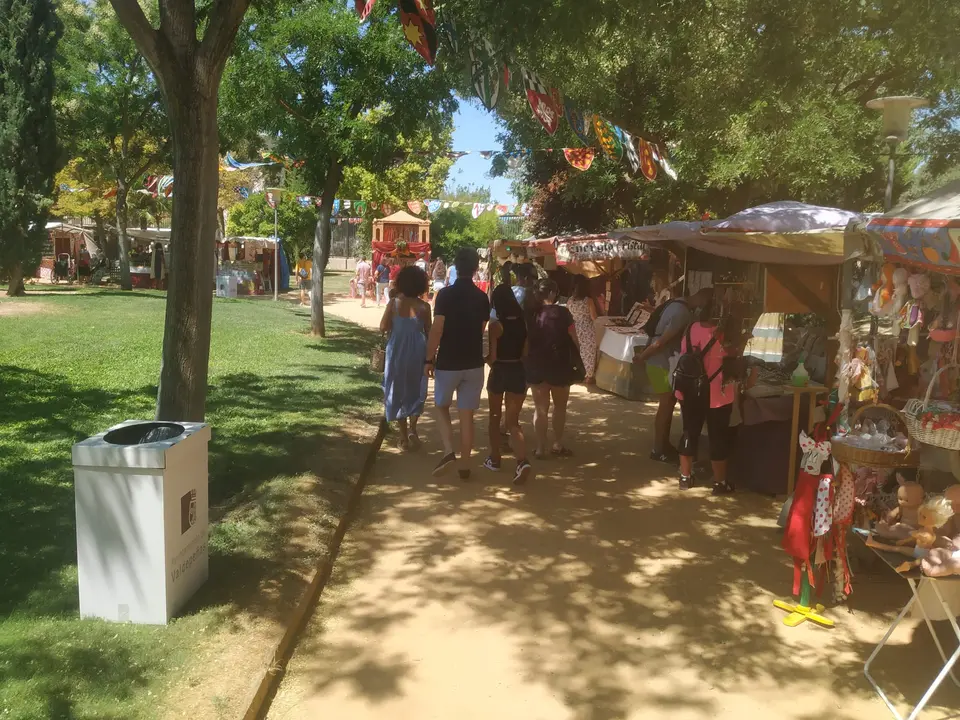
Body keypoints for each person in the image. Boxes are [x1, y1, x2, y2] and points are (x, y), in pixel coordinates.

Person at [424, 248, 490, 479]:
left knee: (441, 406)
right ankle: (465, 465)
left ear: (456, 267)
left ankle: (449, 450)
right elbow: (481, 330)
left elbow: (437, 329)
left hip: (448, 361)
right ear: (474, 269)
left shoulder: (445, 296)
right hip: (473, 362)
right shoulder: (483, 298)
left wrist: (428, 358)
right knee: (467, 415)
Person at [675, 307, 753, 493]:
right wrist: (743, 340)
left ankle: (685, 477)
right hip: (717, 392)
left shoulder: (690, 329)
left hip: (690, 389)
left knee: (689, 431)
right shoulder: (721, 334)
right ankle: (720, 483)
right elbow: (731, 356)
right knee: (718, 437)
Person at [632, 287, 713, 464]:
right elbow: (661, 342)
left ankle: (663, 445)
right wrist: (642, 357)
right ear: (702, 300)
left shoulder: (676, 303)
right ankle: (658, 449)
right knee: (666, 406)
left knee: (668, 404)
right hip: (661, 363)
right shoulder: (682, 312)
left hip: (660, 361)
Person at [484, 283, 533, 485]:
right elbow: (525, 354)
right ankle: (522, 461)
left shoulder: (496, 325)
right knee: (513, 422)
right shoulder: (524, 323)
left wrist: (485, 359)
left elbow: (493, 357)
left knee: (495, 418)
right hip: (517, 372)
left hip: (500, 372)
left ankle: (495, 459)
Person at [526, 278, 579, 458]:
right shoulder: (564, 313)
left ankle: (540, 448)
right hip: (560, 363)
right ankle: (557, 444)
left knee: (540, 408)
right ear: (552, 293)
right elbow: (574, 337)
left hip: (536, 363)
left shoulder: (531, 313)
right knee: (560, 407)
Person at [381, 265, 432, 451]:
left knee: (396, 388)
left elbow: (382, 327)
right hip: (418, 351)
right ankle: (413, 428)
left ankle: (403, 437)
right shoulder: (424, 307)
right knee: (416, 388)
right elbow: (429, 331)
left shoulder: (393, 304)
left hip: (396, 350)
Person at [567, 275, 599, 385]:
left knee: (578, 350)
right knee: (588, 352)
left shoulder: (570, 300)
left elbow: (568, 314)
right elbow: (594, 317)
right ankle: (589, 376)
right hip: (587, 328)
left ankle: (579, 373)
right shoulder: (588, 300)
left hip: (575, 327)